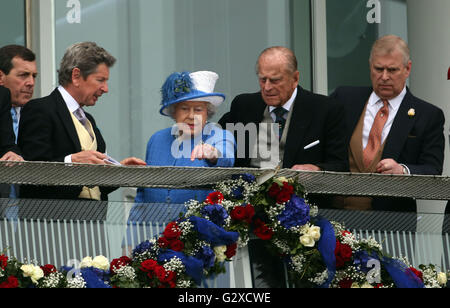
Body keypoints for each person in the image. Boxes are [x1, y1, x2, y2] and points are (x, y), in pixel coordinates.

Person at [331, 35, 445, 213]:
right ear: (370, 66)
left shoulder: (428, 115)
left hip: (391, 223)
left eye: (392, 70)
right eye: (378, 69)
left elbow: (433, 169)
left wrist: (403, 170)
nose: (384, 77)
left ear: (407, 69)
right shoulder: (344, 98)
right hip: (335, 216)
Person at [17, 42, 145, 201]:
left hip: (93, 221)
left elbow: (97, 187)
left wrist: (120, 171)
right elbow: (30, 172)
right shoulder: (40, 109)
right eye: (100, 80)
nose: (106, 89)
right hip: (53, 222)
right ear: (76, 76)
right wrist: (71, 161)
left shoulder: (88, 119)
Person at [218, 46, 347, 172]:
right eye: (263, 79)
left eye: (275, 80)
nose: (267, 88)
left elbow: (340, 165)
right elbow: (217, 138)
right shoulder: (244, 106)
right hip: (248, 190)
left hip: (301, 191)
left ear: (295, 78)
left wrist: (317, 169)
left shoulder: (326, 110)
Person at [133, 70, 235, 206]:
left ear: (207, 113)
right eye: (184, 108)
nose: (191, 116)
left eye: (198, 109)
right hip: (154, 225)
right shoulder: (157, 139)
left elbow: (226, 159)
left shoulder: (219, 136)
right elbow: (142, 193)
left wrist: (213, 153)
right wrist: (135, 226)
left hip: (196, 226)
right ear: (174, 112)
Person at [0, 45, 36, 198]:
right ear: (1, 77)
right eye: (23, 75)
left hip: (27, 214)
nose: (31, 83)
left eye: (34, 76)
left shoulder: (37, 117)